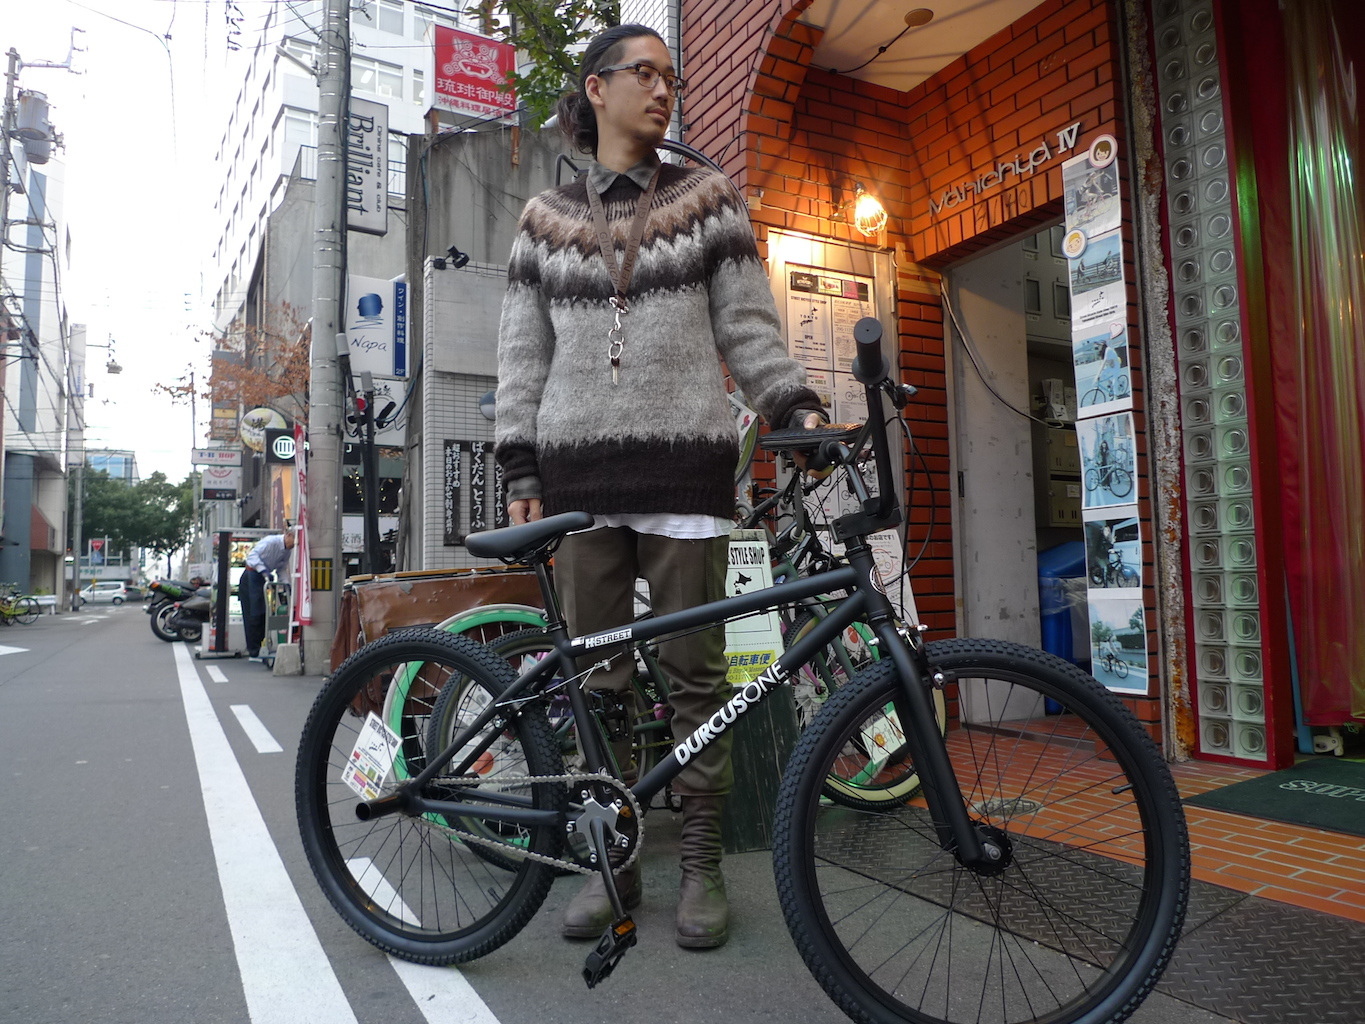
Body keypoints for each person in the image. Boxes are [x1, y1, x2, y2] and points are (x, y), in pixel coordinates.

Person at [494, 23, 825, 950]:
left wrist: (793, 406)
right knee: (596, 683)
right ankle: (616, 864)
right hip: (577, 481)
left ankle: (702, 866)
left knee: (695, 680)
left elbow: (748, 328)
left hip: (685, 466)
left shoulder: (707, 200)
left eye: (670, 76)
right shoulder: (544, 219)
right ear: (596, 89)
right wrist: (518, 463)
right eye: (644, 73)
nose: (663, 89)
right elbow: (521, 355)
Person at [239, 529, 294, 661]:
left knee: (263, 613)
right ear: (288, 535)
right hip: (252, 574)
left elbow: (281, 568)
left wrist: (286, 584)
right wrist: (263, 570)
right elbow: (252, 556)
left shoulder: (287, 550)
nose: (294, 544)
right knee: (254, 614)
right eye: (294, 541)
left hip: (263, 578)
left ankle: (260, 647)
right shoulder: (271, 542)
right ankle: (253, 651)